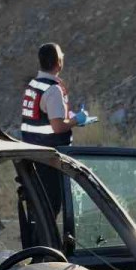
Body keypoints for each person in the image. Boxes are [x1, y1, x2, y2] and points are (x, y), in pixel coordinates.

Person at [20, 43, 92, 219]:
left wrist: (69, 117)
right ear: (59, 62)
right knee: (50, 207)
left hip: (32, 153)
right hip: (49, 158)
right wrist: (77, 120)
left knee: (38, 209)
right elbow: (58, 127)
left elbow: (40, 116)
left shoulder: (34, 84)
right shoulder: (53, 90)